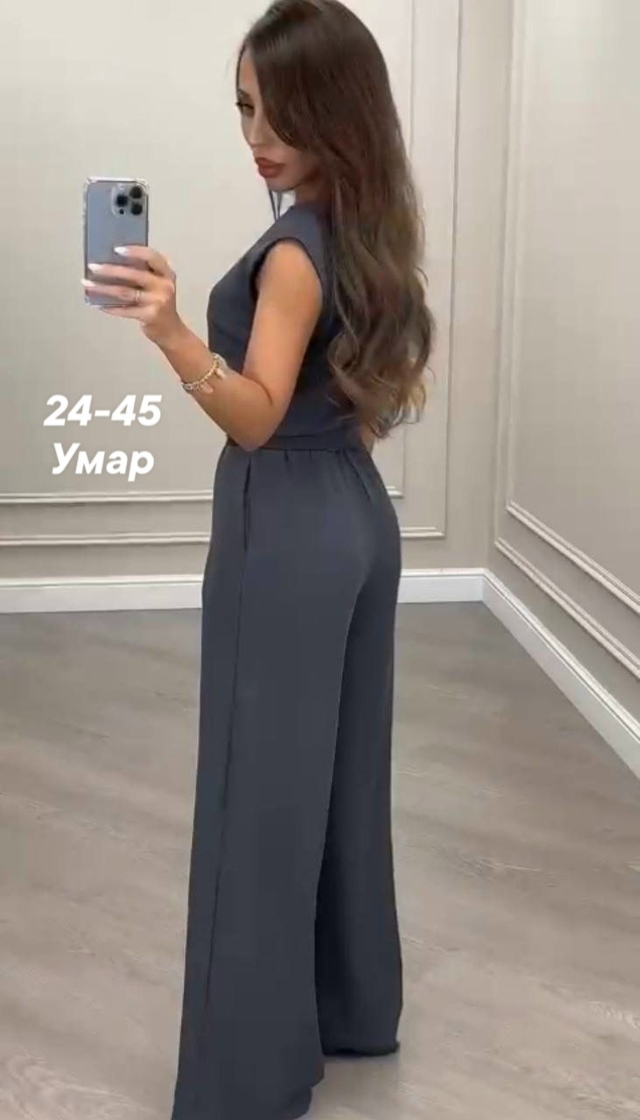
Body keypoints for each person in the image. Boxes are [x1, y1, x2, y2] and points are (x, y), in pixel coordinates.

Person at [83, 1, 433, 1116]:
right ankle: (350, 1009)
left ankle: (246, 1077)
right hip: (357, 517)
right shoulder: (368, 231)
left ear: (337, 108)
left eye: (282, 109)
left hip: (285, 526)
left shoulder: (292, 252)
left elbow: (255, 415)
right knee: (340, 781)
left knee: (257, 796)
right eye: (243, 106)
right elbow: (351, 406)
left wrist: (171, 330)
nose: (258, 133)